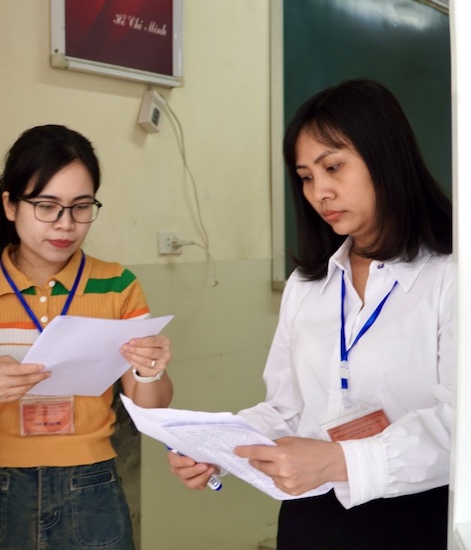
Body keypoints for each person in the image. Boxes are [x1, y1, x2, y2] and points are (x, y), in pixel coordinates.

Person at [167, 79, 453, 549]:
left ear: (385, 158)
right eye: (305, 177)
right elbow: (287, 407)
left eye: (333, 167)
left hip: (417, 512)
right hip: (312, 512)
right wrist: (219, 446)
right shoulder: (308, 283)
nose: (320, 192)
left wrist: (338, 461)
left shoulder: (450, 276)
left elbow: (459, 423)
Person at [0, 124, 173, 550]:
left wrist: (150, 371)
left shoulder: (117, 285)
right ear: (10, 205)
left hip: (92, 485)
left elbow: (151, 406)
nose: (65, 224)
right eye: (47, 206)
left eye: (81, 207)